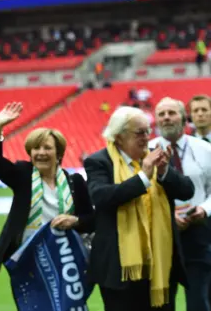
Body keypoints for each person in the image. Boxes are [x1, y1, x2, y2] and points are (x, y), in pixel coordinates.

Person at [85, 106, 194, 311]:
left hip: (160, 263)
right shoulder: (98, 162)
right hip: (120, 269)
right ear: (119, 137)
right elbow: (102, 197)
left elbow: (187, 190)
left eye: (148, 131)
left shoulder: (155, 156)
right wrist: (143, 177)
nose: (146, 137)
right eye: (139, 133)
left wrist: (163, 173)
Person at [0, 102, 94, 281]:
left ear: (59, 154)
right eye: (35, 148)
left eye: (47, 148)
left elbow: (91, 220)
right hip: (28, 258)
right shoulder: (23, 175)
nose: (40, 153)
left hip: (66, 258)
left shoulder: (75, 182)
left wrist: (75, 220)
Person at [150, 97, 211, 311]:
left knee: (199, 301)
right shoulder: (146, 153)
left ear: (184, 118)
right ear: (156, 121)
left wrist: (204, 208)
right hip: (161, 237)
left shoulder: (205, 149)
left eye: (171, 113)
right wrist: (167, 216)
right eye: (161, 114)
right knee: (163, 303)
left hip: (198, 234)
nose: (166, 118)